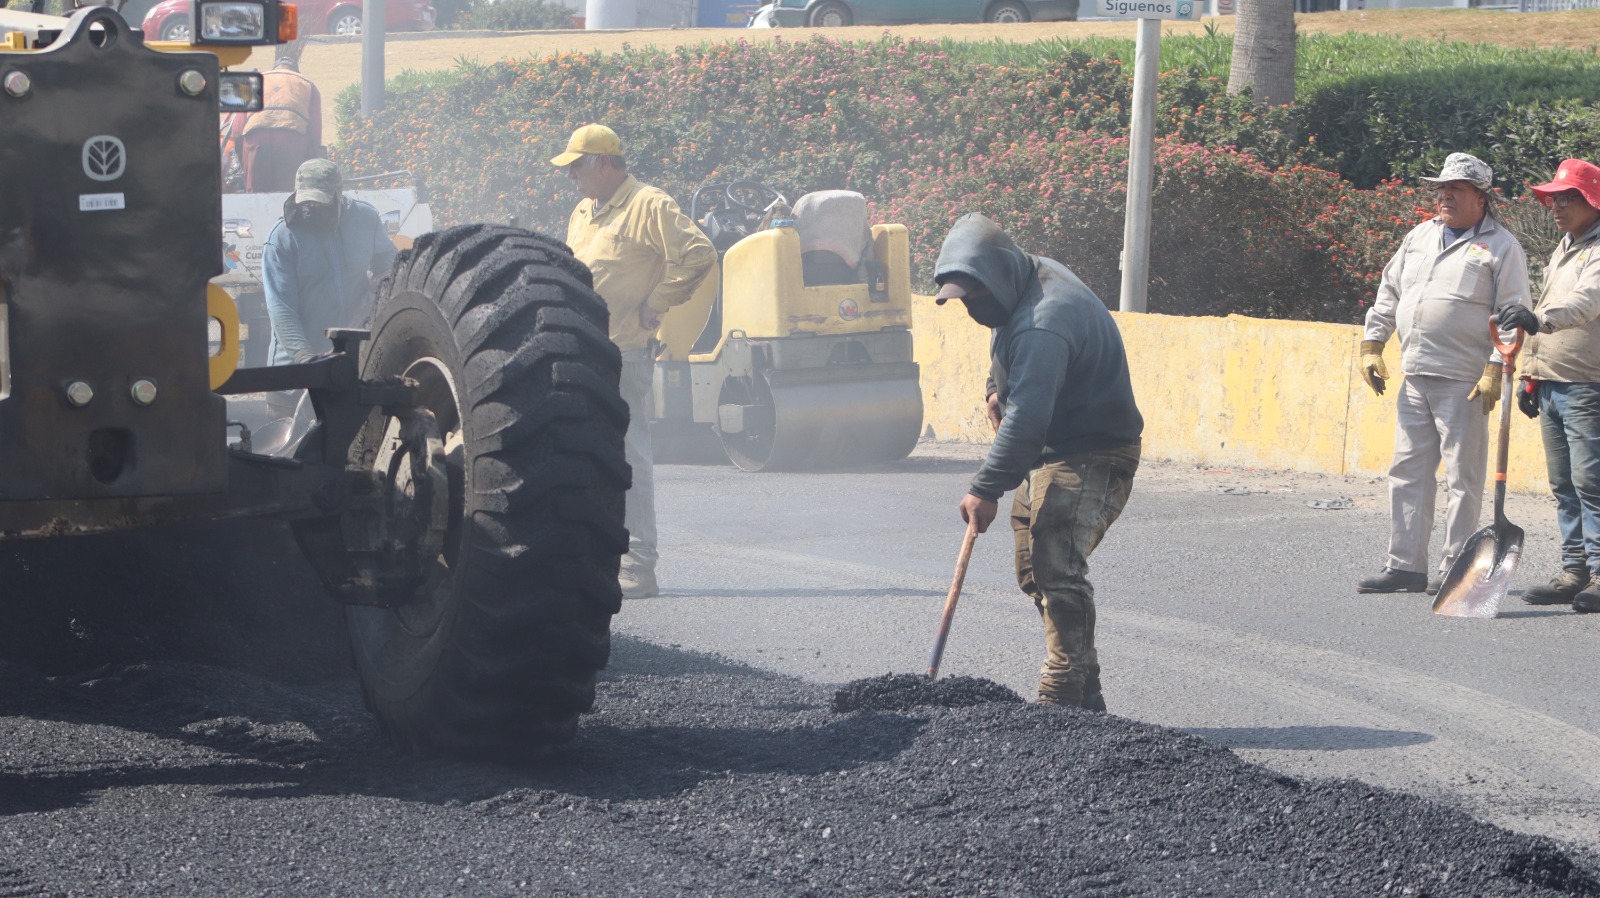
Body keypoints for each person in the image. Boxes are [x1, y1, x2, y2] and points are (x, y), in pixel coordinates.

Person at [934, 213, 1143, 712]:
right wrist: (993, 387)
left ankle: (1062, 691)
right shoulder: (1021, 281)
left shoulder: (1045, 319)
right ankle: (1086, 693)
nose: (973, 309)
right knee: (1033, 569)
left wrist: (986, 487)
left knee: (1057, 561)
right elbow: (1008, 348)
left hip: (1093, 449)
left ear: (1000, 276)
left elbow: (1027, 418)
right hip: (1053, 447)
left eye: (976, 297)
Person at [1357, 152, 1531, 596]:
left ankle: (1455, 565)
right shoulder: (1419, 236)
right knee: (1407, 471)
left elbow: (1510, 312)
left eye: (1456, 188)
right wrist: (1373, 344)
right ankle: (1405, 566)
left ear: (1480, 196)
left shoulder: (1501, 246)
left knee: (1463, 478)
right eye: (1441, 187)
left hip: (1466, 380)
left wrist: (1496, 369)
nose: (1445, 195)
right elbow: (1390, 291)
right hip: (1415, 374)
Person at [553, 123, 716, 600]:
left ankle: (639, 566)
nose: (571, 178)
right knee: (586, 454)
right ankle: (598, 556)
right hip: (582, 346)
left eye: (577, 167)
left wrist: (659, 299)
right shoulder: (584, 210)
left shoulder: (649, 204)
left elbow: (698, 253)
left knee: (628, 455)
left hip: (623, 351)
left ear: (604, 163)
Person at [1496, 158, 1600, 613]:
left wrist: (1539, 321)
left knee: (1591, 481)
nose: (1556, 205)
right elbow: (1550, 301)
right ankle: (1575, 569)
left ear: (1593, 202)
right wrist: (1530, 375)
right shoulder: (1567, 246)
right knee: (1564, 483)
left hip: (1586, 383)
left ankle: (1598, 571)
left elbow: (1585, 302)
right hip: (1554, 381)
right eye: (1554, 198)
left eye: (1568, 198)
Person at [261, 159, 397, 419]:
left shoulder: (365, 219)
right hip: (292, 374)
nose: (310, 207)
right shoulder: (282, 239)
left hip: (347, 366)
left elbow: (387, 260)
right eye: (306, 200)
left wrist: (381, 282)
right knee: (285, 454)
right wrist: (307, 361)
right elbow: (281, 309)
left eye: (319, 201)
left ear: (338, 195)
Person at [237, 47, 322, 193]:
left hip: (256, 138)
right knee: (287, 193)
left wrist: (241, 154)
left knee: (255, 194)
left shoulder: (253, 80)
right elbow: (315, 130)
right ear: (296, 71)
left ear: (274, 68)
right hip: (292, 139)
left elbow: (237, 127)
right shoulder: (307, 84)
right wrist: (314, 156)